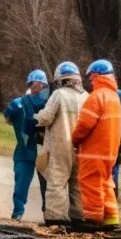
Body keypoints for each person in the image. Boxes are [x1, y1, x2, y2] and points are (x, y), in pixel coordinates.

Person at [35, 61, 88, 227]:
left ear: (60, 78)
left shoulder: (59, 94)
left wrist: (35, 118)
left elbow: (46, 117)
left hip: (60, 145)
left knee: (57, 181)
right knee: (77, 183)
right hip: (80, 147)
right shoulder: (86, 96)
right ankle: (78, 217)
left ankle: (56, 217)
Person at [72, 59, 121, 231]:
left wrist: (74, 139)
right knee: (106, 184)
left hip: (93, 153)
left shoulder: (96, 97)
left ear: (95, 76)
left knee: (91, 184)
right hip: (109, 153)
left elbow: (84, 125)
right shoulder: (115, 97)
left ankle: (92, 221)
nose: (90, 81)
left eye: (91, 77)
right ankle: (111, 219)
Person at [3, 69, 49, 220]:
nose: (39, 86)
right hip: (28, 151)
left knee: (47, 186)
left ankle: (48, 215)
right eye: (38, 83)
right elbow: (9, 118)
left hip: (42, 151)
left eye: (42, 84)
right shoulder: (19, 104)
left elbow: (8, 120)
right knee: (22, 183)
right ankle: (18, 214)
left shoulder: (50, 104)